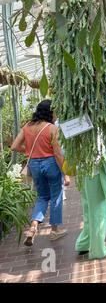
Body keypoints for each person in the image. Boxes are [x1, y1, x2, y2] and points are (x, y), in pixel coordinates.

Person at [11, 99, 69, 246]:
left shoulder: (27, 127)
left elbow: (14, 146)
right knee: (56, 196)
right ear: (50, 112)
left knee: (42, 197)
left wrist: (29, 151)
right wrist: (66, 173)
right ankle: (55, 230)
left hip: (34, 164)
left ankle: (33, 226)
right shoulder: (52, 128)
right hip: (50, 163)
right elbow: (57, 154)